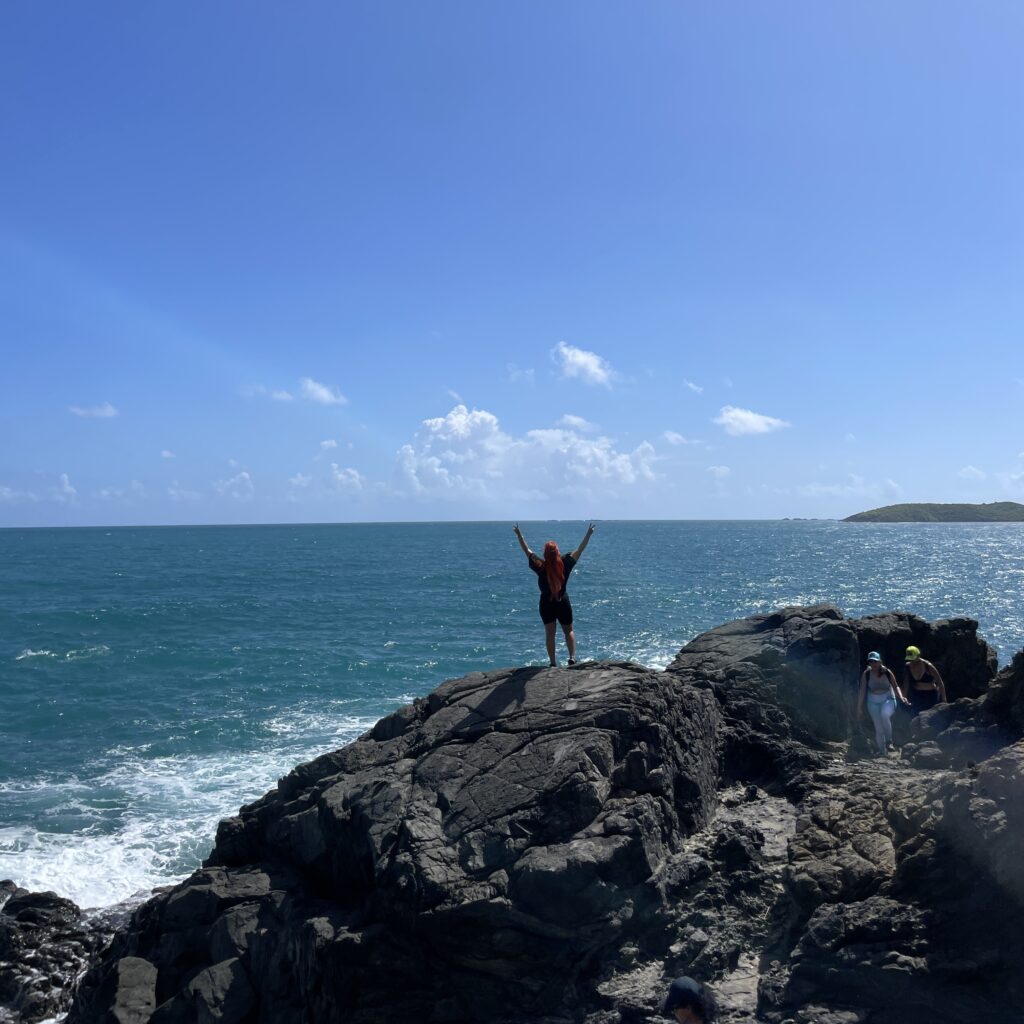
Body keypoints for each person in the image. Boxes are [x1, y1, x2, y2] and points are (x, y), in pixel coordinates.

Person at [513, 522, 594, 667]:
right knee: (568, 631)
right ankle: (572, 658)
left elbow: (526, 550)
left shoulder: (540, 566)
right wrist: (588, 534)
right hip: (562, 601)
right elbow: (580, 550)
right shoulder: (566, 563)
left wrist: (519, 534)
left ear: (545, 553)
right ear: (557, 552)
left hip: (546, 604)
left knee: (550, 634)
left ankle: (552, 663)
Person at [857, 651, 909, 755]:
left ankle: (889, 742)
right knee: (878, 726)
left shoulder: (887, 672)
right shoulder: (866, 674)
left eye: (875, 661)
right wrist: (859, 707)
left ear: (880, 661)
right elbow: (862, 690)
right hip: (873, 700)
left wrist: (901, 697)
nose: (873, 664)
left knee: (884, 715)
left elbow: (896, 686)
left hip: (888, 698)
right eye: (871, 662)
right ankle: (882, 752)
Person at [902, 645, 948, 716]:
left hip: (930, 696)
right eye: (910, 659)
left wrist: (944, 700)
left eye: (914, 659)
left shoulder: (928, 666)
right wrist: (904, 696)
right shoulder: (908, 666)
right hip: (916, 696)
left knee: (931, 717)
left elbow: (940, 682)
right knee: (916, 716)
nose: (912, 661)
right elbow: (906, 683)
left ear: (918, 655)